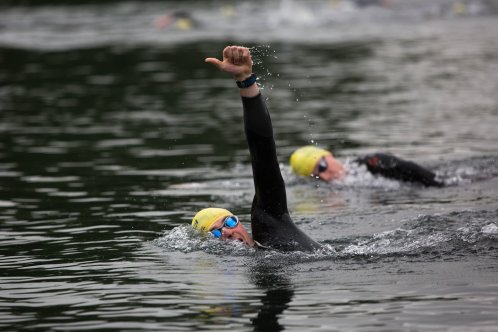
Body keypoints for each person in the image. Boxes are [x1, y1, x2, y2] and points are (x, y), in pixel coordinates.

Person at [191, 46, 321, 252]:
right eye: (215, 233)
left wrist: (245, 80)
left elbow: (263, 151)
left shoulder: (270, 225)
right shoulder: (247, 271)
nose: (226, 232)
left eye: (229, 222)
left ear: (239, 221)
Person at [290, 146, 444, 187]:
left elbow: (424, 175)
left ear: (329, 155)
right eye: (316, 176)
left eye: (322, 166)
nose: (324, 176)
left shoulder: (372, 163)